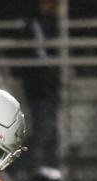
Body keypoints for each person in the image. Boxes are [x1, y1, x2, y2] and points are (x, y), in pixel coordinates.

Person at [15, 0, 61, 172]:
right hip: (37, 85)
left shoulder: (53, 23)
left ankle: (50, 167)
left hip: (50, 85)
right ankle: (18, 166)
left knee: (48, 130)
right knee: (41, 130)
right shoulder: (30, 24)